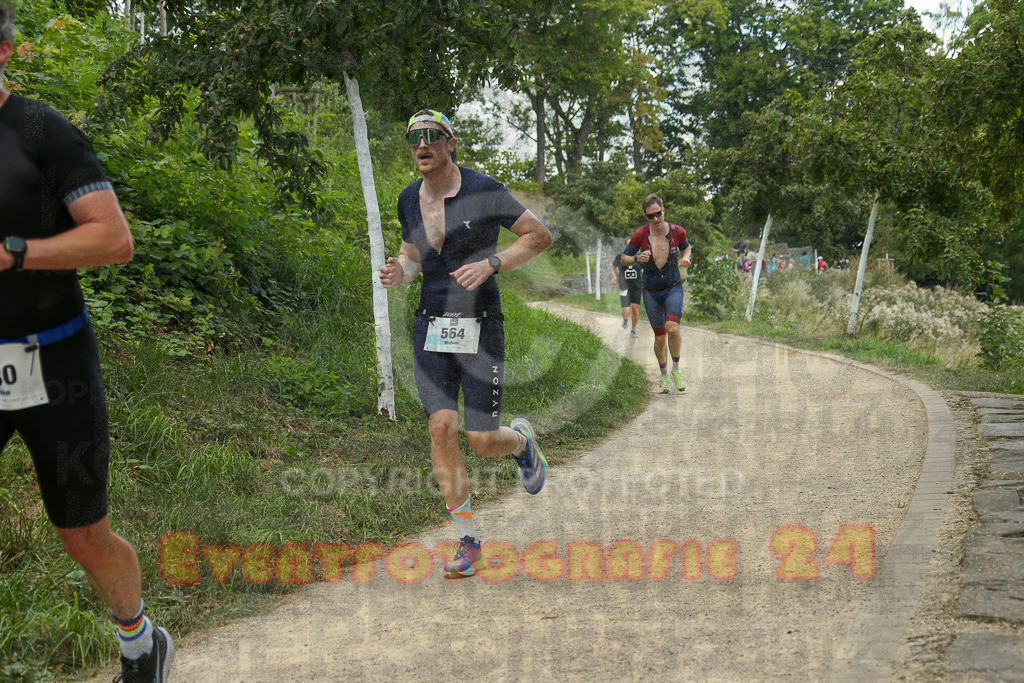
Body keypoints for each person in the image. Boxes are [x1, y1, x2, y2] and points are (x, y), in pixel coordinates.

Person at [0, 4, 173, 681]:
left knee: (82, 533)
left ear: (4, 53)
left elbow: (113, 239)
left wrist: (16, 253)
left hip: (54, 362)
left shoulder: (40, 130)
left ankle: (140, 642)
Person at [379, 109, 553, 578]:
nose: (422, 144)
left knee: (482, 439)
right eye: (414, 137)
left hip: (481, 323)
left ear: (450, 143)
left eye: (431, 136)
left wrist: (492, 263)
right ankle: (467, 539)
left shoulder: (483, 189)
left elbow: (539, 236)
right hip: (431, 323)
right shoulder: (407, 199)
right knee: (441, 427)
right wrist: (400, 272)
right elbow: (412, 255)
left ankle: (521, 444)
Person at [621, 194, 691, 394]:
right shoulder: (641, 234)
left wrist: (686, 258)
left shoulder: (677, 231)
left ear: (663, 210)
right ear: (646, 217)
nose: (656, 219)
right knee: (660, 337)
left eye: (658, 214)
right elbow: (624, 258)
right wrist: (637, 258)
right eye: (651, 216)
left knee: (673, 328)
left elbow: (687, 248)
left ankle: (677, 370)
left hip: (673, 287)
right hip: (650, 291)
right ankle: (664, 376)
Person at [609, 238, 642, 337]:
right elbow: (612, 268)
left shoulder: (639, 257)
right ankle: (625, 319)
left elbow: (647, 269)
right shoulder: (620, 257)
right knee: (626, 311)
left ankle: (633, 330)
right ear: (625, 246)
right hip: (624, 286)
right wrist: (615, 277)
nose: (630, 245)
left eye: (632, 244)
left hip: (636, 286)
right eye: (628, 244)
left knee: (635, 309)